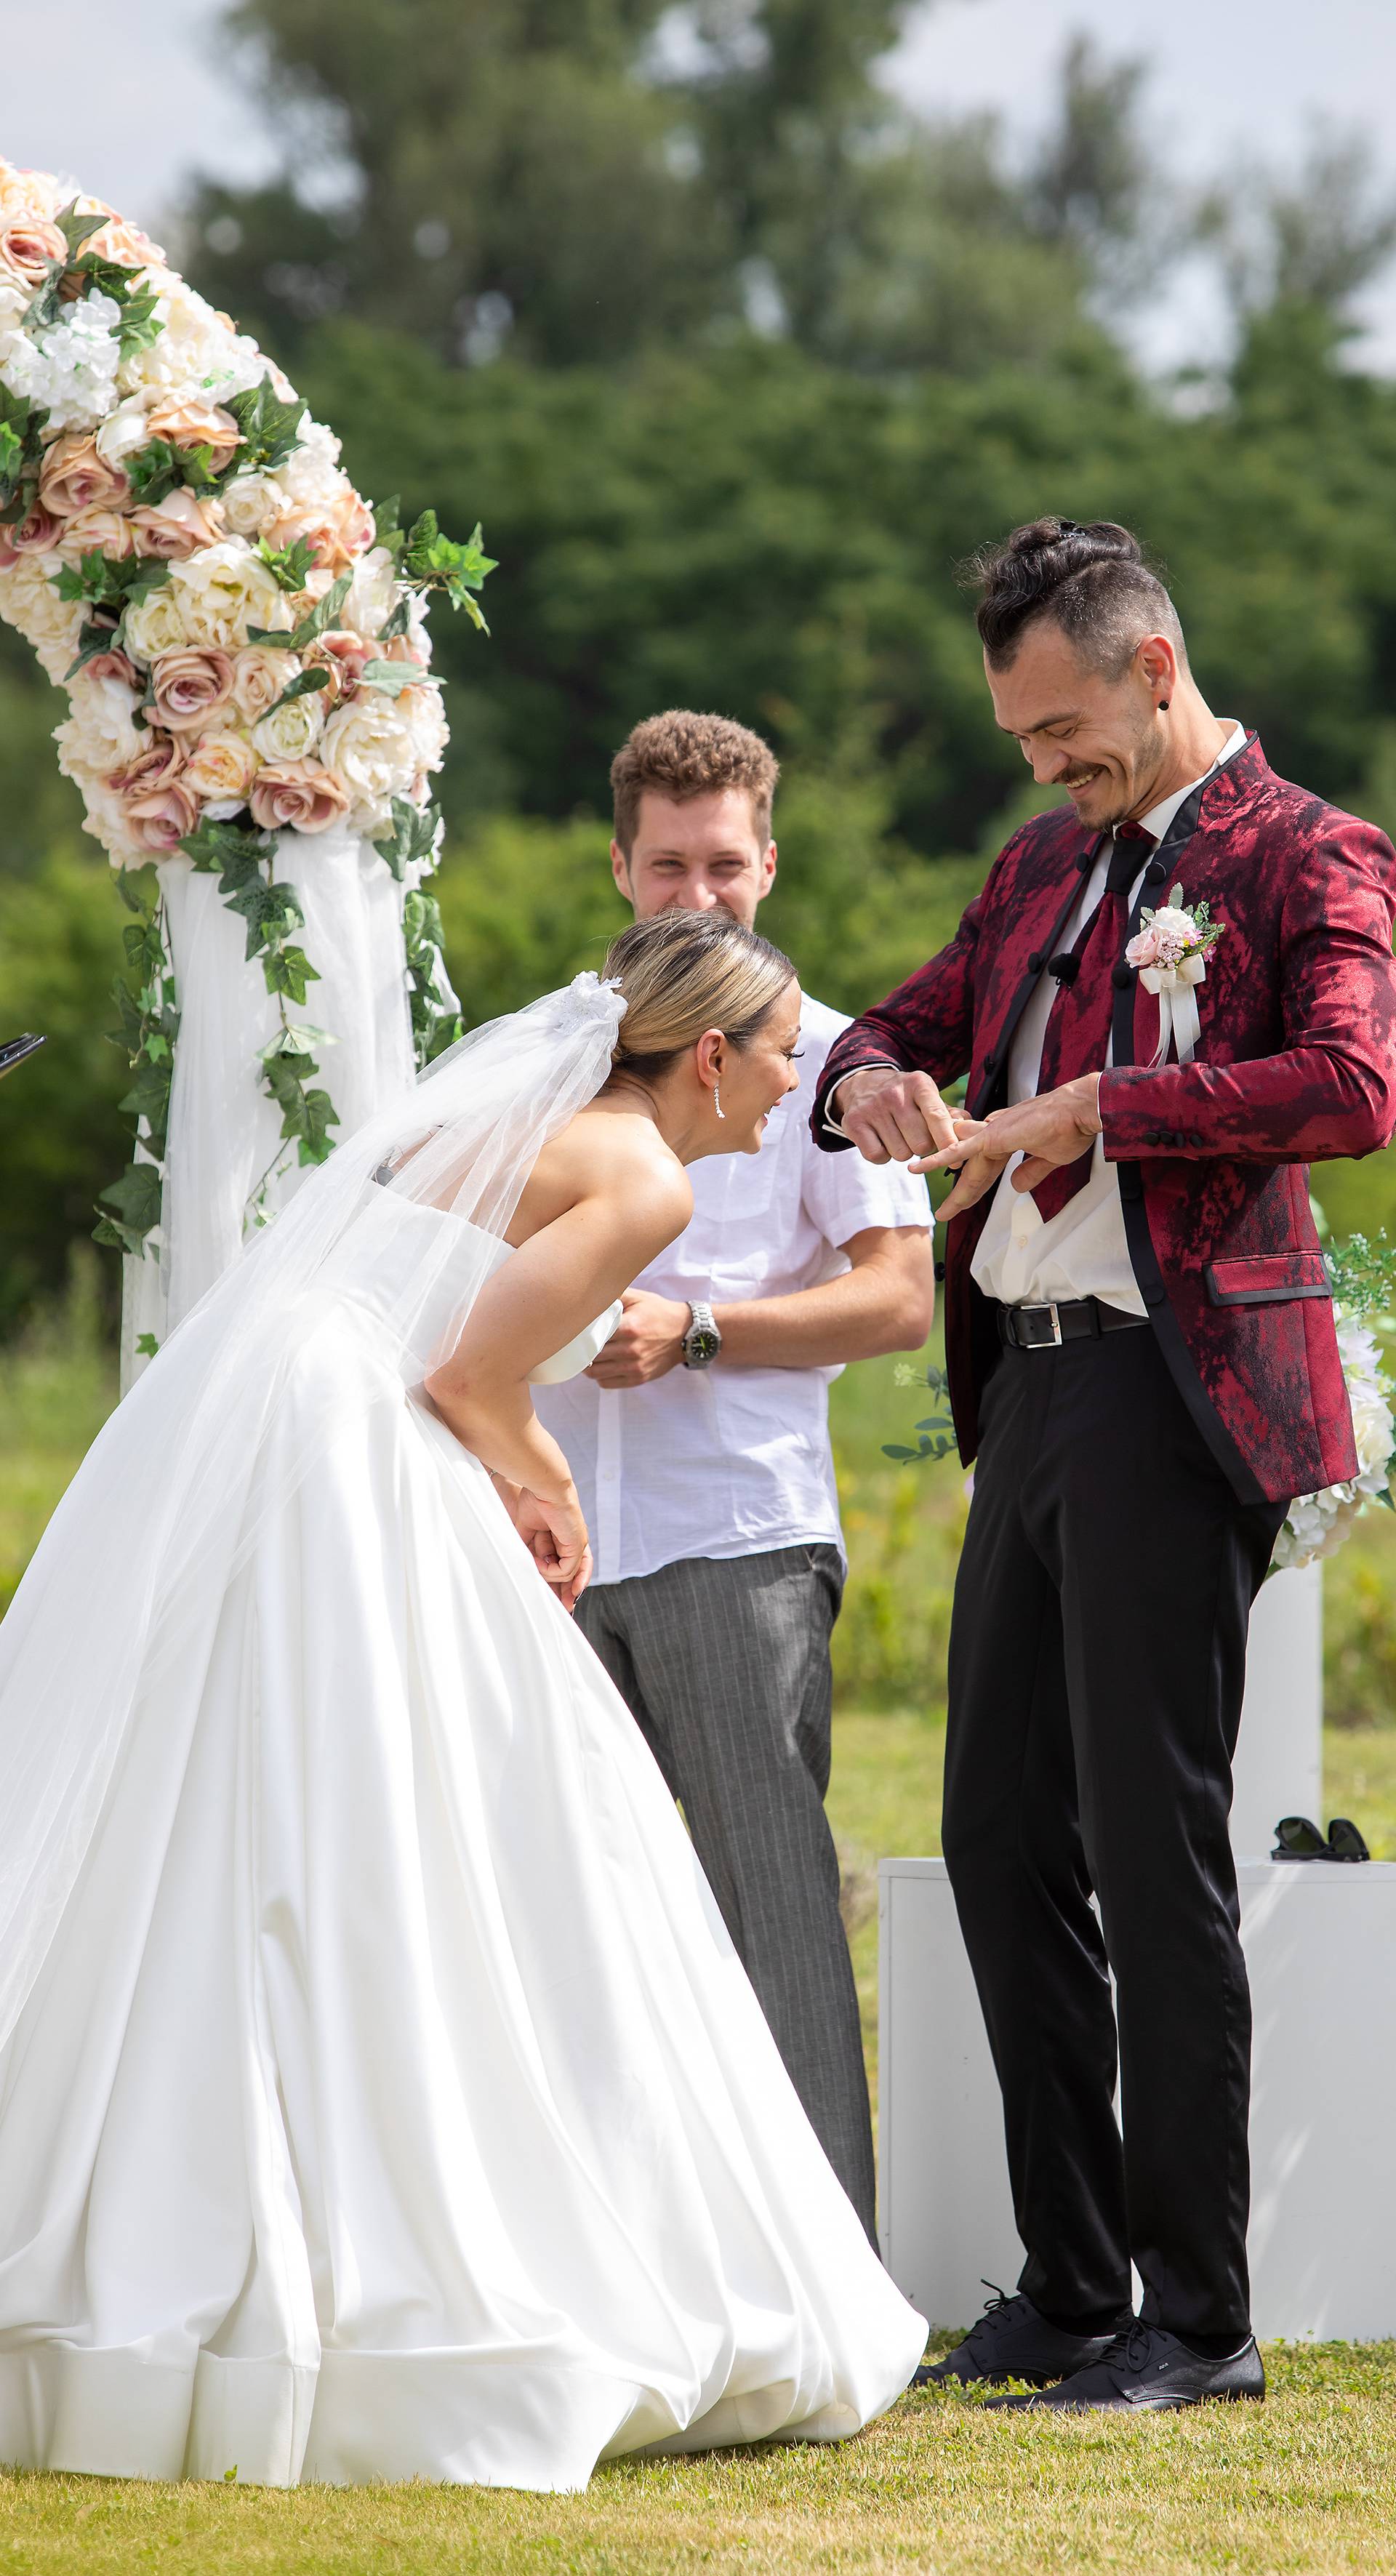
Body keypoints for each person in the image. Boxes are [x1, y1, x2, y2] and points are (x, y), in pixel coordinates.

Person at [0, 909, 925, 2490]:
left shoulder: (552, 1125)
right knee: (400, 1801)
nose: (796, 1088)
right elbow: (469, 1378)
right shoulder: (645, 1173)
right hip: (353, 1430)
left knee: (250, 1790)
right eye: (784, 1056)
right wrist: (549, 1477)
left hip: (294, 1398)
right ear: (708, 1053)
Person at [814, 518, 1396, 2412]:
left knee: (1157, 1867)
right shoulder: (1042, 864)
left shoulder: (1308, 854)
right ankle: (1068, 2286)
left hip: (1177, 1394)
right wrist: (873, 1085)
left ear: (1154, 667)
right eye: (1018, 733)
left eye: (1063, 725)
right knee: (998, 1841)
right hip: (1035, 1397)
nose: (1041, 762)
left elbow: (1356, 1084)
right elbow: (902, 1021)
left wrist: (1105, 1112)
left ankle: (1201, 2317)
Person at [533, 711, 934, 2242]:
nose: (697, 895)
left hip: (737, 1534)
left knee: (775, 1906)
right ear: (618, 864)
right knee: (575, 1906)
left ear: (770, 858)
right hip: (553, 1540)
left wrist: (698, 1327)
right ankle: (622, 2249)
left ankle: (830, 2263)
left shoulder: (836, 1060)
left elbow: (900, 1296)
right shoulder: (550, 1052)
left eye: (725, 863)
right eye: (667, 865)